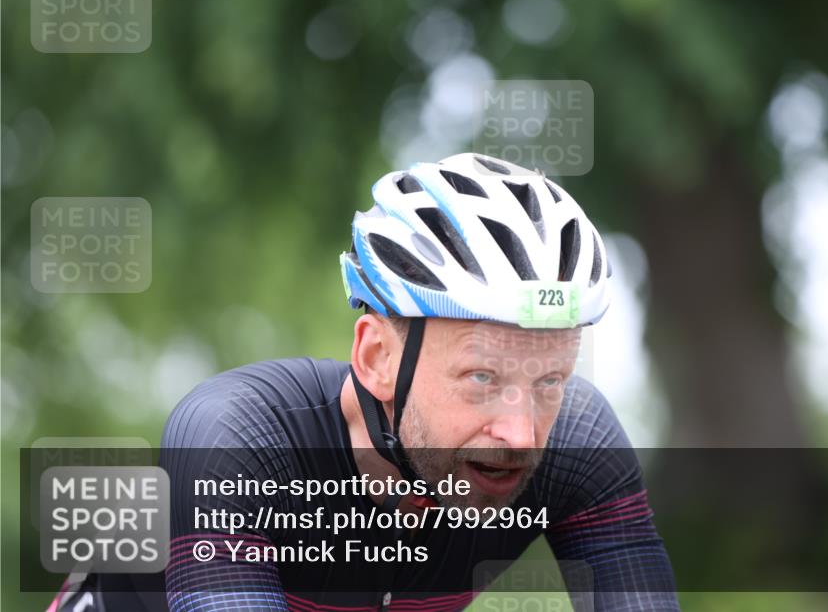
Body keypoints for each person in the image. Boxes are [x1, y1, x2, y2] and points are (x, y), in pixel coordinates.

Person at [50, 153, 679, 612]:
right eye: (482, 377)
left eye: (550, 381)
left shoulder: (577, 441)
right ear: (377, 357)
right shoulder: (234, 437)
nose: (520, 432)